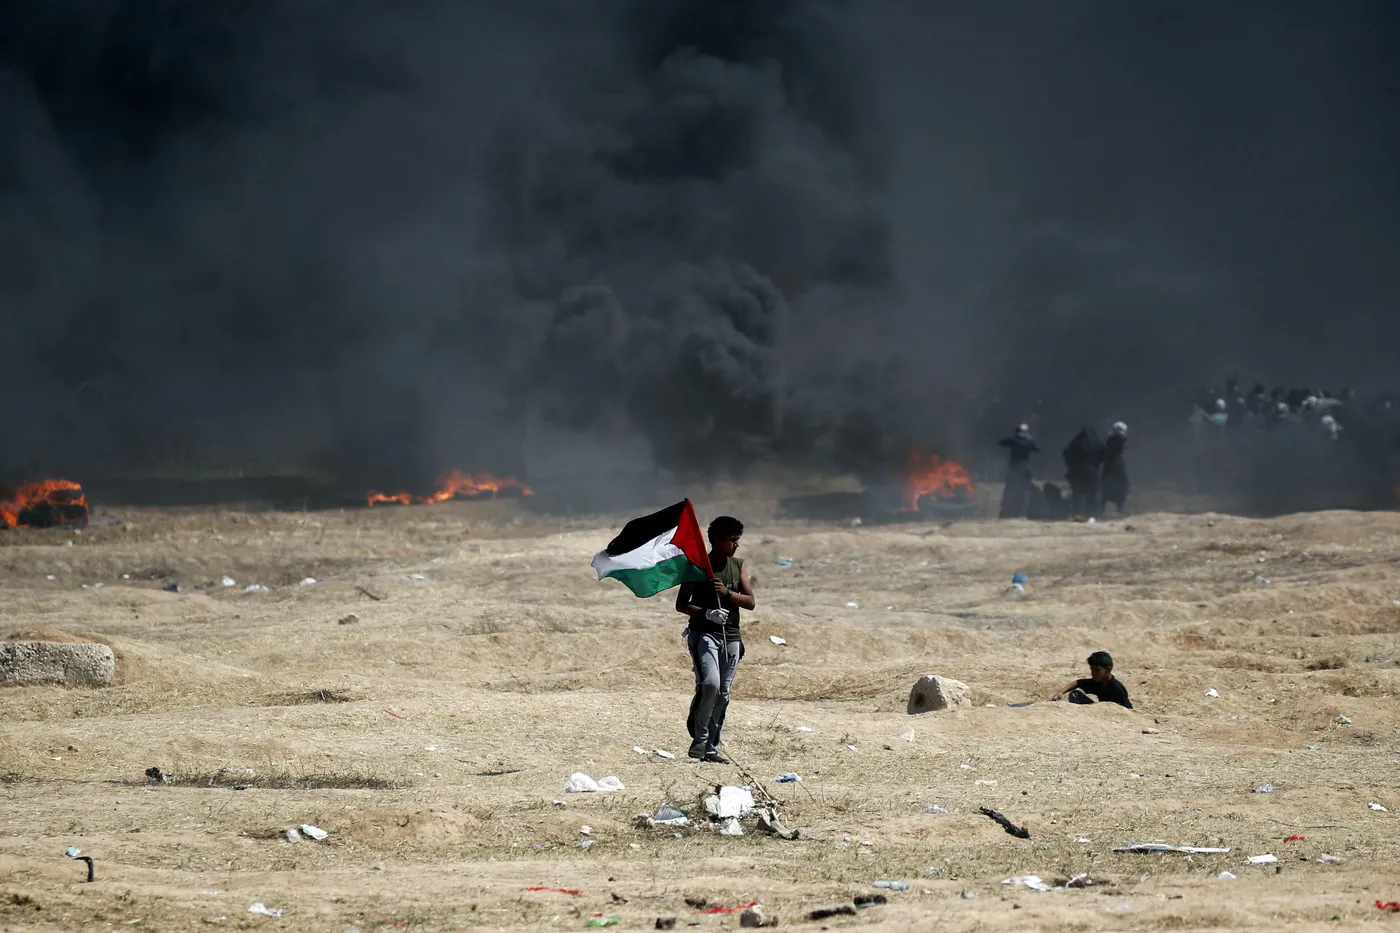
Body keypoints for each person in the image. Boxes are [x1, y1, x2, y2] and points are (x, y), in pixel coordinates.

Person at [675, 515, 754, 764]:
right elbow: (681, 604)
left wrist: (728, 593)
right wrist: (707, 613)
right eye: (732, 540)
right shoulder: (698, 567)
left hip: (731, 637)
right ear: (717, 540)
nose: (736, 545)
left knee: (723, 693)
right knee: (709, 684)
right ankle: (698, 736)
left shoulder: (738, 566)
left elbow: (750, 602)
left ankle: (710, 747)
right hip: (704, 635)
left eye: (737, 540)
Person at [1052, 651, 1133, 709]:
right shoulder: (1098, 683)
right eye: (1092, 670)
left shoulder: (1117, 687)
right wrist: (1061, 692)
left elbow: (1128, 709)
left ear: (1108, 670)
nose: (1093, 673)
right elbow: (1078, 683)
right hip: (1099, 712)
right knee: (1075, 695)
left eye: (1097, 670)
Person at [1062, 425, 1105, 519]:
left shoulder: (1076, 443)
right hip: (1092, 473)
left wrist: (1072, 465)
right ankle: (1092, 514)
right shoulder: (1096, 443)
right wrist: (1096, 464)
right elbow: (1104, 453)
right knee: (1092, 494)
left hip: (1078, 473)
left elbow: (1066, 454)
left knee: (1078, 494)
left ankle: (1077, 514)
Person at [997, 424, 1039, 518]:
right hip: (1023, 470)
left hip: (1017, 470)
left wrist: (1016, 439)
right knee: (1022, 492)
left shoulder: (1015, 441)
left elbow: (1002, 442)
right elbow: (1037, 448)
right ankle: (1019, 513)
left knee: (1013, 491)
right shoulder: (1028, 441)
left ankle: (1008, 512)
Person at [1101, 421, 1130, 514]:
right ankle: (1118, 507)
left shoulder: (1111, 439)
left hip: (1111, 465)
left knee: (1109, 486)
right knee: (1122, 485)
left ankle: (1102, 508)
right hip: (1114, 465)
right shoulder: (1115, 438)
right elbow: (1121, 440)